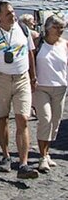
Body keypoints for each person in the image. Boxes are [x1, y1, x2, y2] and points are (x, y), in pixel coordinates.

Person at [0, 1, 38, 179]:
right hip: (0, 78)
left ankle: (24, 164)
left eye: (13, 12)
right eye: (8, 13)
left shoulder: (23, 30)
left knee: (23, 119)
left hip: (22, 79)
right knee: (2, 118)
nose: (13, 15)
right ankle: (6, 155)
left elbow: (30, 54)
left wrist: (33, 77)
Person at [32, 15, 67, 173]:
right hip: (41, 87)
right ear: (47, 28)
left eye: (62, 28)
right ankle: (42, 156)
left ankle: (47, 152)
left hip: (60, 87)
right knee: (45, 119)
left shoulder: (65, 44)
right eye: (57, 27)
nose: (60, 30)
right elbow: (30, 61)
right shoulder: (38, 43)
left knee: (55, 121)